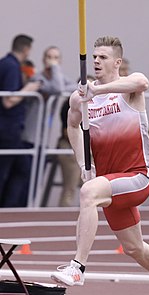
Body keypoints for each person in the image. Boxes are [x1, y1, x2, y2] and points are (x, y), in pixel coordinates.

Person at [51, 36, 149, 295]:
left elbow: (142, 82)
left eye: (103, 57)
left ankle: (77, 267)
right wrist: (82, 161)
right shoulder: (80, 98)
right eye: (94, 57)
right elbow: (72, 126)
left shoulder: (127, 89)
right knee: (134, 248)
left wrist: (97, 92)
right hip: (112, 183)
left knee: (87, 194)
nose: (96, 61)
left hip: (138, 176)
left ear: (117, 62)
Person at [0, 34, 41, 207]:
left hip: (10, 129)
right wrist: (29, 89)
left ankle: (10, 208)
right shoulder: (10, 66)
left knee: (20, 169)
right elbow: (8, 100)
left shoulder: (6, 64)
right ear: (26, 49)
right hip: (8, 129)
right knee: (7, 171)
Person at [57, 74, 94, 207]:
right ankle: (62, 220)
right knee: (70, 186)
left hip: (90, 148)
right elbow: (67, 131)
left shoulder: (96, 103)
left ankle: (89, 216)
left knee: (92, 188)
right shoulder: (70, 103)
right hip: (69, 147)